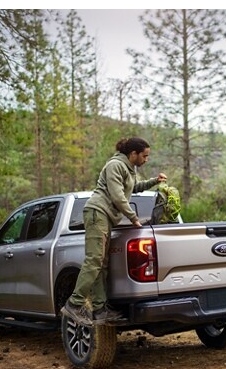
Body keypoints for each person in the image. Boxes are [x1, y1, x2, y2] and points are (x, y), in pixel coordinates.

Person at [62, 137, 167, 326]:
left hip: (106, 218)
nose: (146, 159)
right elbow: (118, 196)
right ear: (133, 154)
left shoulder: (129, 169)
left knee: (102, 264)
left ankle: (100, 309)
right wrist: (134, 218)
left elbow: (132, 188)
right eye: (144, 156)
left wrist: (154, 181)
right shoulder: (115, 165)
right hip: (97, 212)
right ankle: (74, 304)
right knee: (94, 261)